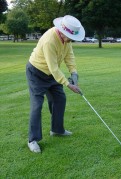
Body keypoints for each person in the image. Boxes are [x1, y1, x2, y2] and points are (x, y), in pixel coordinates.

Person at [26, 15, 85, 153]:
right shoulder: (49, 40)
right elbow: (53, 67)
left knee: (60, 98)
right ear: (63, 32)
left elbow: (69, 56)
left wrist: (74, 73)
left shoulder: (67, 40)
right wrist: (68, 84)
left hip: (52, 74)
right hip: (36, 72)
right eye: (70, 37)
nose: (71, 40)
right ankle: (33, 140)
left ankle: (57, 130)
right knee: (37, 105)